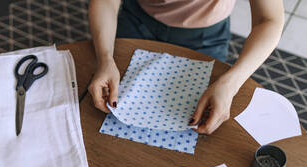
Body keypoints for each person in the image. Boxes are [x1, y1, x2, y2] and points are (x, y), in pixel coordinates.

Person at [88, 0, 284, 134]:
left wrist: (230, 85)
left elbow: (269, 19)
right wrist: (105, 58)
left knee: (203, 117)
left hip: (205, 35)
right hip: (137, 19)